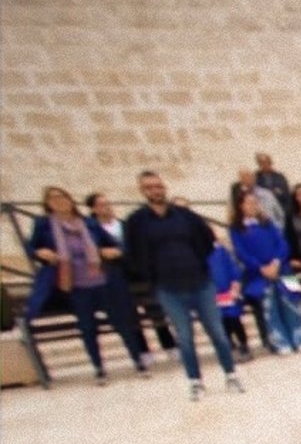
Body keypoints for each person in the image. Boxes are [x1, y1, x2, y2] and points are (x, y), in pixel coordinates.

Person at [123, 171, 243, 399]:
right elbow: (133, 254)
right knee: (185, 338)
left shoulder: (184, 216)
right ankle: (195, 381)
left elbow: (207, 240)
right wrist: (154, 275)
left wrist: (195, 263)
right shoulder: (137, 222)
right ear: (142, 190)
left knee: (217, 333)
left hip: (200, 283)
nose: (155, 190)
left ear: (164, 187)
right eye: (149, 187)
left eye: (158, 186)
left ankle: (231, 375)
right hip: (169, 288)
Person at [24, 186, 150, 383]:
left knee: (121, 323)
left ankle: (138, 361)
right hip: (75, 285)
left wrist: (113, 251)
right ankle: (99, 368)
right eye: (53, 199)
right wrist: (40, 253)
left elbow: (116, 244)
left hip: (102, 280)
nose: (59, 201)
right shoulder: (44, 225)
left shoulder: (88, 223)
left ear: (70, 199)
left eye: (62, 197)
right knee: (88, 327)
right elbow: (31, 247)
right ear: (47, 204)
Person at [87, 192, 170, 358]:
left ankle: (169, 345)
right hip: (116, 275)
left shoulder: (124, 225)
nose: (107, 207)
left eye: (108, 203)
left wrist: (123, 252)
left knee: (155, 309)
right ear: (94, 209)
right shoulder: (92, 230)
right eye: (102, 204)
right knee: (130, 314)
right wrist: (101, 252)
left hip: (137, 273)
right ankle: (143, 351)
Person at [231, 191, 301, 354]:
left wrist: (276, 262)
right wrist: (261, 268)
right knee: (270, 308)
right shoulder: (237, 229)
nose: (253, 205)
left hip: (283, 269)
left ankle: (300, 338)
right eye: (248, 202)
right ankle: (281, 342)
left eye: (255, 202)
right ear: (240, 206)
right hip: (259, 273)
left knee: (293, 302)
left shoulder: (268, 223)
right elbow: (241, 252)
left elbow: (282, 244)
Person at [253, 152, 293, 222]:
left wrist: (287, 212)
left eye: (267, 162)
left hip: (281, 210)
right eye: (261, 163)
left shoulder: (280, 177)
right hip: (264, 212)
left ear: (271, 162)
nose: (264, 165)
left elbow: (287, 195)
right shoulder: (255, 178)